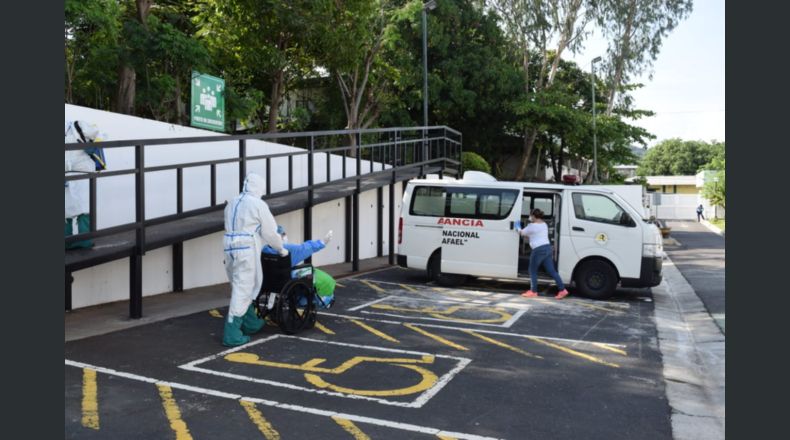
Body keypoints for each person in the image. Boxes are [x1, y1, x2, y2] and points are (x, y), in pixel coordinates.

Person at [223, 173, 289, 347]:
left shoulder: (232, 203)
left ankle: (251, 322)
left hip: (229, 247)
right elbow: (270, 232)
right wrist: (281, 249)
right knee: (244, 288)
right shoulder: (258, 204)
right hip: (246, 248)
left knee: (238, 286)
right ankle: (232, 333)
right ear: (259, 187)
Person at [262, 225, 337, 308]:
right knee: (311, 273)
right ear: (279, 236)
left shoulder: (265, 250)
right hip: (285, 282)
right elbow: (304, 249)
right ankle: (325, 300)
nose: (285, 236)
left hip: (269, 282)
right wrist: (322, 243)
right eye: (283, 234)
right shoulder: (287, 250)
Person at [65, 120, 107, 249]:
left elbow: (100, 135)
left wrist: (94, 147)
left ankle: (84, 240)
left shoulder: (78, 126)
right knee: (66, 207)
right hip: (66, 173)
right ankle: (67, 241)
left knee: (84, 205)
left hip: (83, 171)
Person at [515, 209, 569, 299]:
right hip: (547, 248)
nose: (529, 217)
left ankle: (533, 291)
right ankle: (562, 290)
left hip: (538, 250)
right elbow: (534, 235)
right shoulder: (544, 224)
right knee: (552, 271)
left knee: (532, 270)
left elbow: (522, 233)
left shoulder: (531, 226)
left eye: (530, 216)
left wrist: (518, 227)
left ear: (534, 216)